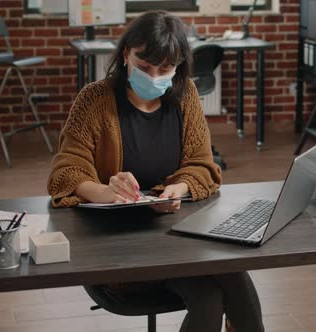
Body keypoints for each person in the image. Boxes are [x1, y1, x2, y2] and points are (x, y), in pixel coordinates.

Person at [47, 10, 264, 332]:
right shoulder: (95, 99)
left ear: (178, 67)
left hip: (178, 237)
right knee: (214, 291)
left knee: (224, 281)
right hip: (117, 245)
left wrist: (180, 188)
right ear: (125, 55)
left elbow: (202, 166)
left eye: (165, 69)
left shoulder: (185, 94)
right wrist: (104, 192)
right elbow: (66, 172)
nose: (153, 76)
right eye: (144, 66)